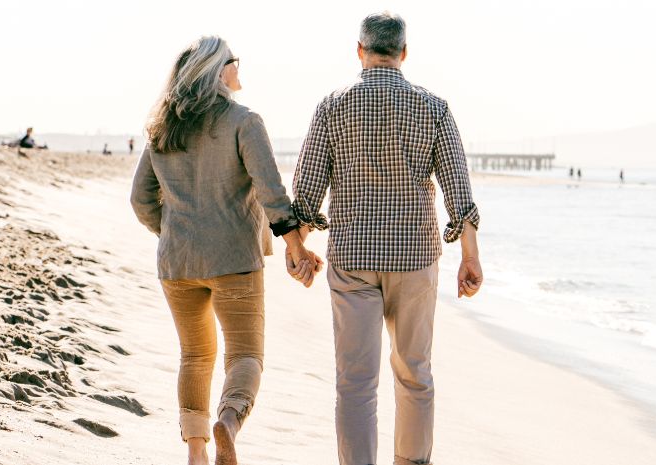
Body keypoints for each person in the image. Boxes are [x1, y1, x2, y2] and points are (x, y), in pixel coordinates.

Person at [291, 12, 482, 465]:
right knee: (415, 373)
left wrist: (297, 248)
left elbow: (307, 191)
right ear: (404, 53)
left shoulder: (332, 105)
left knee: (355, 382)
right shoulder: (433, 107)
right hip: (416, 258)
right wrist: (470, 257)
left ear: (360, 51)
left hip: (352, 257)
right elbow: (459, 190)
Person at [129, 35, 320, 465]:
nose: (239, 67)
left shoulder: (162, 126)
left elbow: (140, 199)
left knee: (195, 355)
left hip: (177, 263)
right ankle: (228, 421)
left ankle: (196, 452)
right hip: (234, 259)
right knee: (246, 356)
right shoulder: (244, 121)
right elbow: (272, 194)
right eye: (234, 60)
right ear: (220, 71)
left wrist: (175, 231)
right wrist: (297, 249)